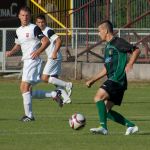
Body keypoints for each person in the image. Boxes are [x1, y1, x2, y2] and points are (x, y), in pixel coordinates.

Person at [6, 6, 63, 122]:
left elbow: (46, 41)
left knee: (24, 87)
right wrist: (11, 51)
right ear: (19, 16)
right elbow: (18, 44)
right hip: (27, 61)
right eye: (22, 15)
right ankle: (53, 94)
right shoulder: (18, 31)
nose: (25, 17)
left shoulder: (34, 28)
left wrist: (37, 51)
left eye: (27, 15)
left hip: (33, 61)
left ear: (30, 16)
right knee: (28, 91)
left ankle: (29, 116)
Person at [86, 20, 140, 135]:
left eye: (99, 31)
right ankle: (131, 126)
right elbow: (107, 68)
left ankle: (103, 128)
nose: (98, 33)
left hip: (117, 79)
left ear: (105, 31)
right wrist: (92, 80)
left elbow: (136, 50)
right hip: (117, 81)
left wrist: (130, 63)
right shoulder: (108, 47)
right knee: (105, 111)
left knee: (98, 97)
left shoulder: (117, 42)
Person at [31, 14, 72, 104]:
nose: (40, 24)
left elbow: (59, 40)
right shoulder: (40, 32)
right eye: (38, 22)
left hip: (54, 57)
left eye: (42, 22)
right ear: (36, 23)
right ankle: (66, 98)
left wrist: (54, 52)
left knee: (45, 78)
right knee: (54, 80)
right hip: (55, 57)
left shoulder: (48, 31)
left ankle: (67, 84)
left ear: (45, 22)